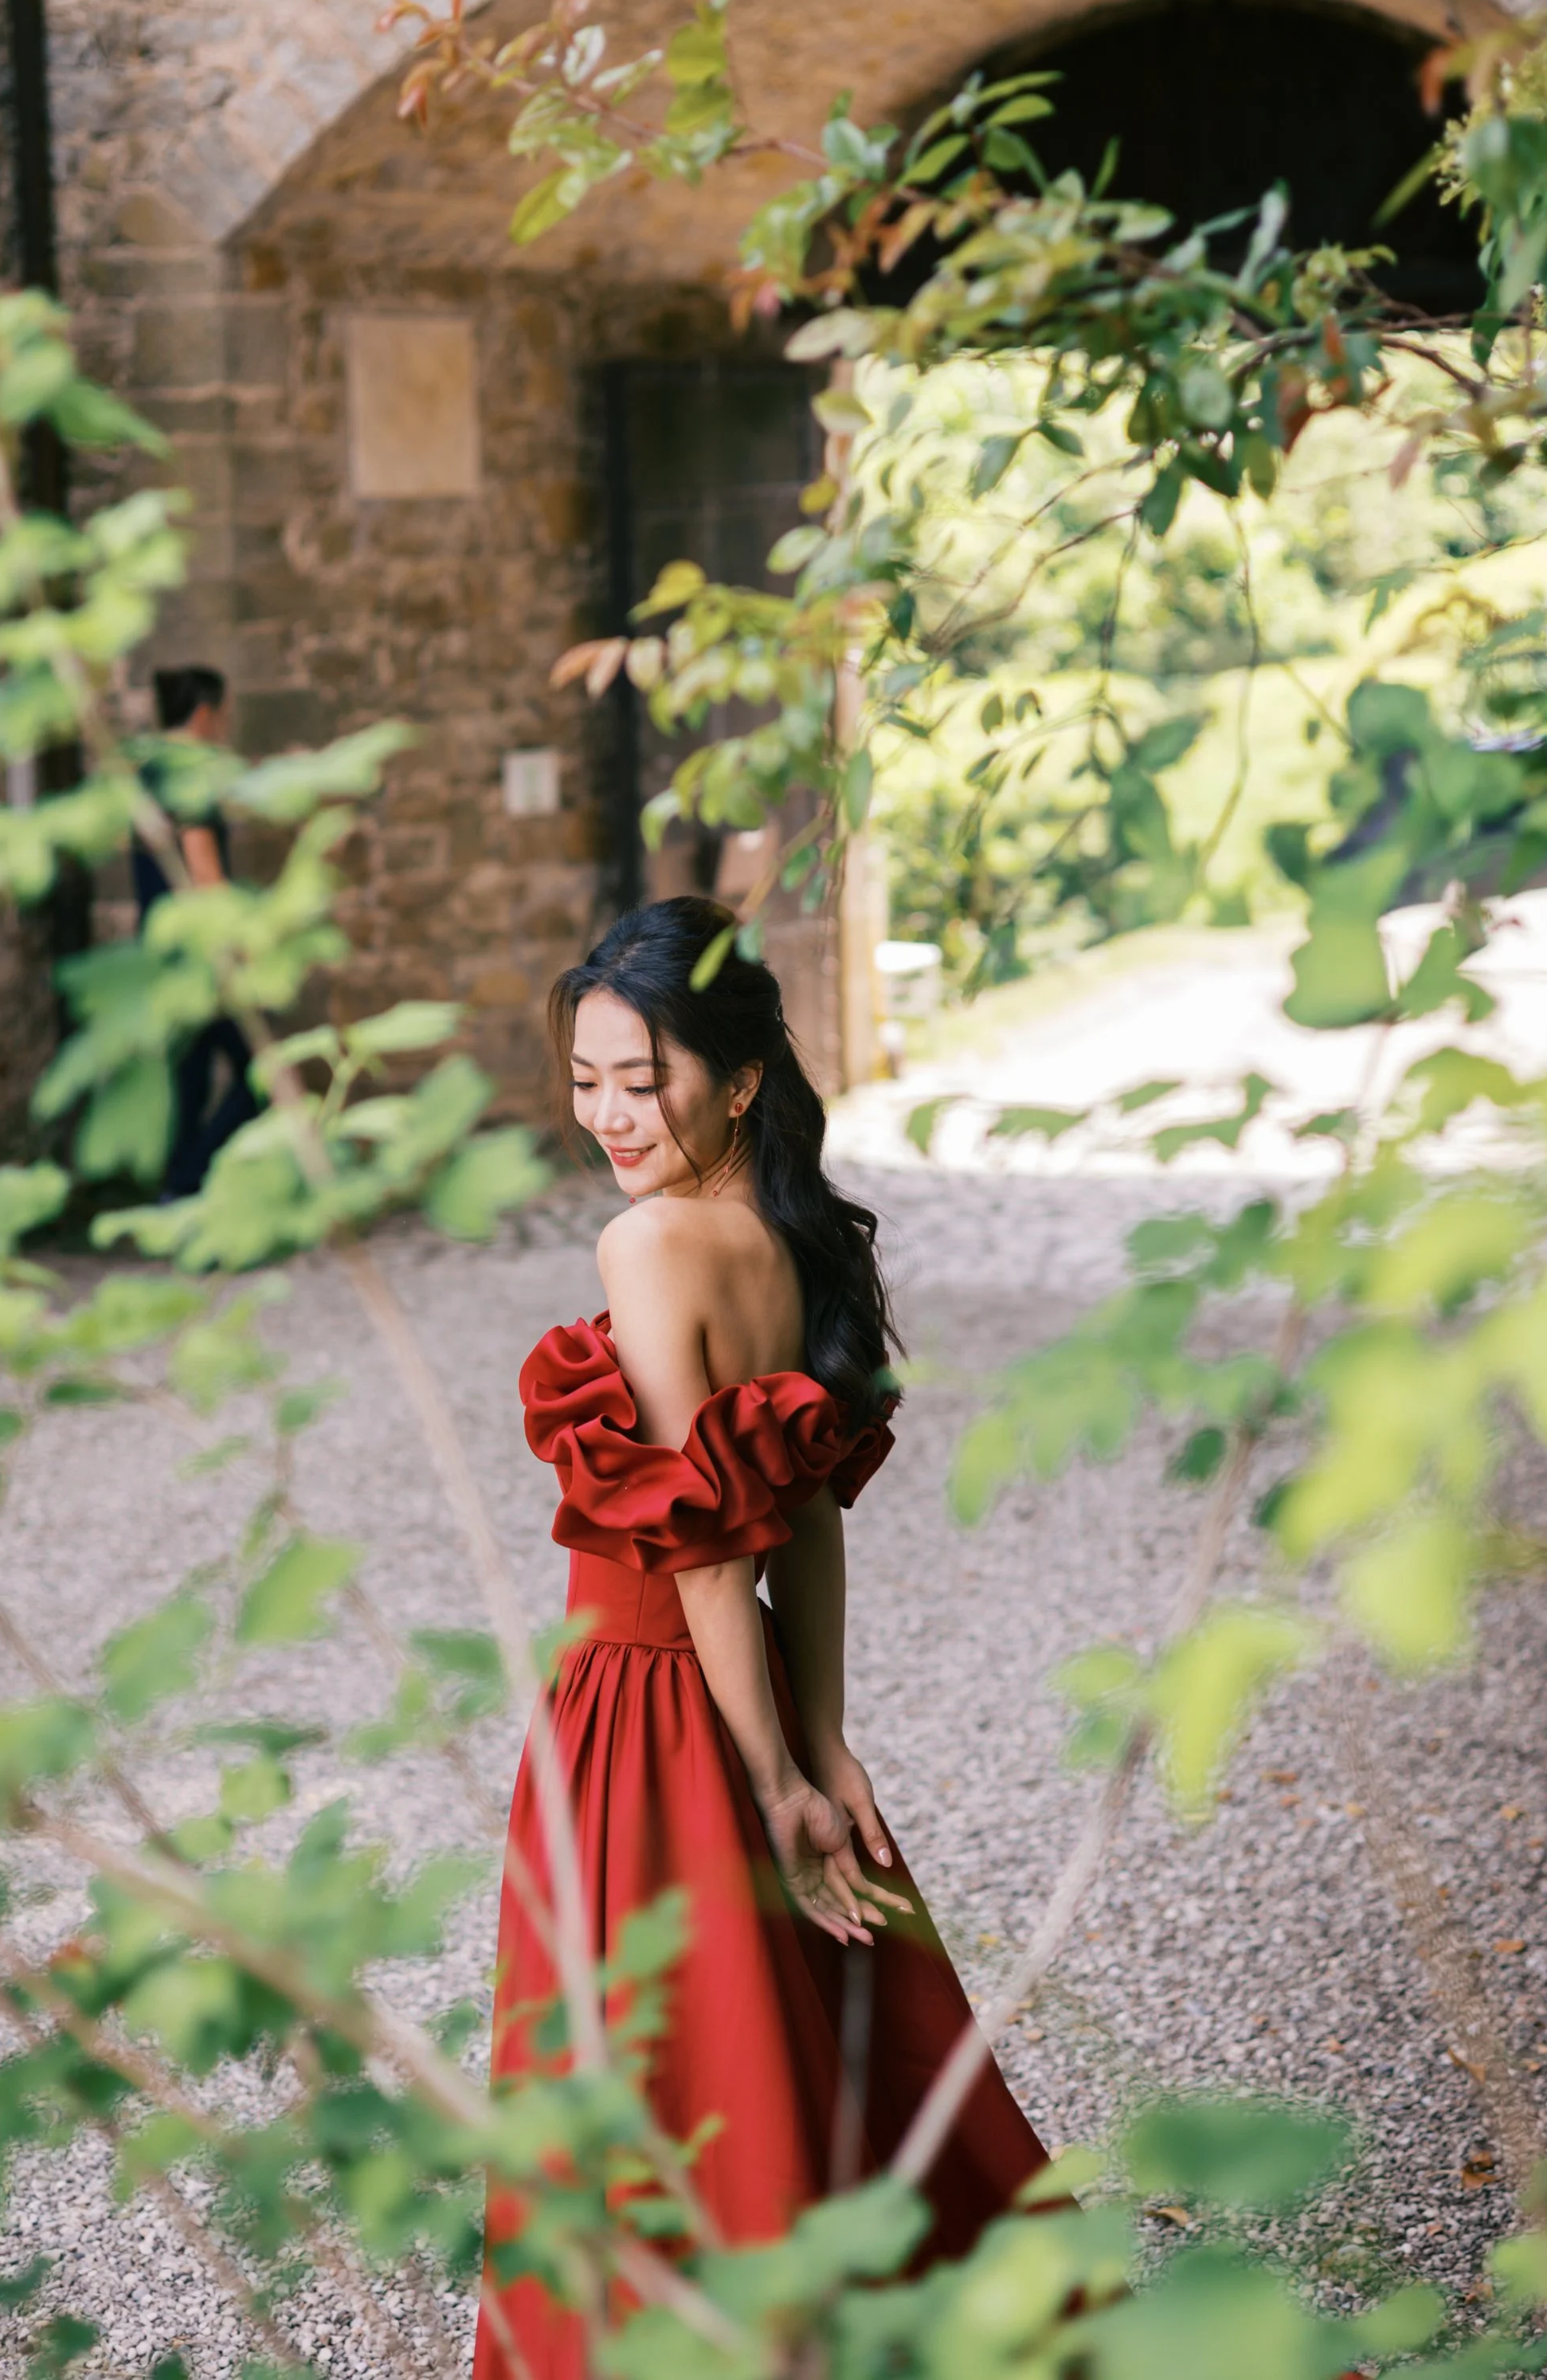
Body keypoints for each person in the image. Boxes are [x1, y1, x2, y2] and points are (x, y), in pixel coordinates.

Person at [475, 895, 1053, 2378]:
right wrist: (818, 1735)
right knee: (785, 2059)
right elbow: (803, 1520)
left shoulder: (651, 1241)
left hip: (647, 1711)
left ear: (736, 1082)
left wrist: (782, 1778)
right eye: (587, 1078)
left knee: (663, 2074)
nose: (608, 1114)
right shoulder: (781, 1241)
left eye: (642, 1077)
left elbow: (709, 1549)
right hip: (745, 1703)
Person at [131, 665, 259, 1200]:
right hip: (201, 954)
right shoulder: (190, 774)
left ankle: (178, 1194)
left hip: (161, 952)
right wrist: (237, 946)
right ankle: (190, 1179)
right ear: (204, 714)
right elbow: (203, 869)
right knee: (261, 1072)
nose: (225, 726)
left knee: (190, 1078)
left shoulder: (148, 771)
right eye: (224, 714)